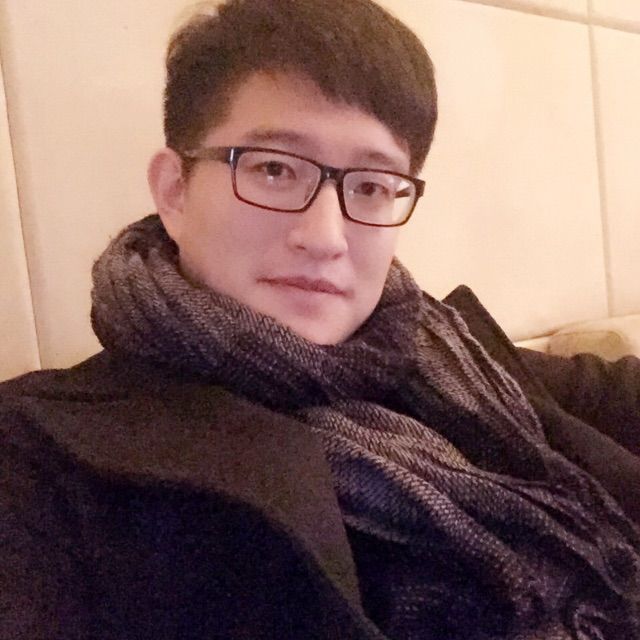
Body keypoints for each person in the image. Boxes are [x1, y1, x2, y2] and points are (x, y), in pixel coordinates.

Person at [1, 0, 639, 638]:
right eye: (274, 169)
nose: (325, 236)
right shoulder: (38, 460)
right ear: (174, 190)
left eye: (371, 185)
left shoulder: (446, 358)